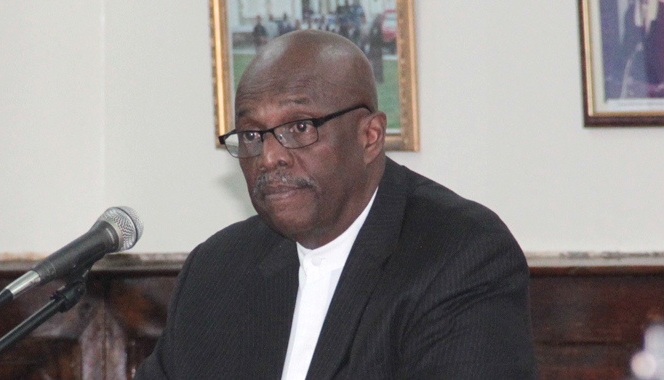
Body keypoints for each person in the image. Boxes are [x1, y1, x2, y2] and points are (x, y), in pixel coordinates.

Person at [134, 30, 537, 379]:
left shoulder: (459, 255)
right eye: (253, 134)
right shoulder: (217, 270)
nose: (270, 156)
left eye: (299, 127)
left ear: (370, 136)